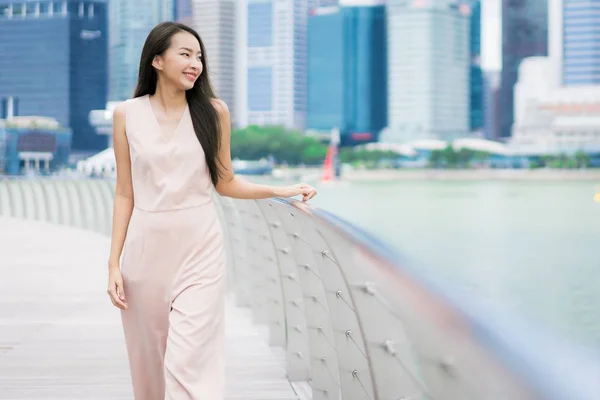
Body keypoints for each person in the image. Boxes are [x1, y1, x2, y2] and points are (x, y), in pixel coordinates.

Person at [106, 21, 317, 400]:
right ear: (157, 60)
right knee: (149, 367)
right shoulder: (126, 114)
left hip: (200, 249)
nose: (195, 64)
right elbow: (125, 193)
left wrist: (278, 189)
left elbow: (226, 182)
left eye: (199, 56)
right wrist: (113, 265)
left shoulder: (213, 112)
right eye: (185, 54)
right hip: (144, 254)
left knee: (189, 361)